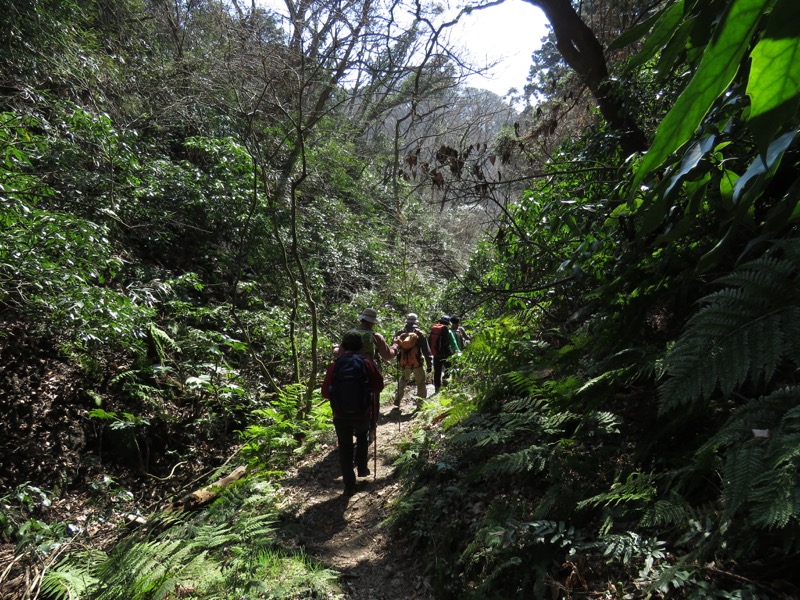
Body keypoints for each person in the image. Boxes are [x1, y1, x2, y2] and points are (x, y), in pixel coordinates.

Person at [321, 331, 384, 497]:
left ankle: (349, 485)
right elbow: (379, 386)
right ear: (361, 346)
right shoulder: (366, 362)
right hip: (363, 412)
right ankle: (362, 468)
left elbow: (325, 392)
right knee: (362, 437)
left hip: (340, 415)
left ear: (343, 345)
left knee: (345, 447)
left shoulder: (335, 365)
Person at [393, 313, 432, 407]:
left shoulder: (400, 333)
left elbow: (395, 347)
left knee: (403, 380)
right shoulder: (420, 334)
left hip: (404, 363)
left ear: (407, 321)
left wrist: (397, 360)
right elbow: (426, 351)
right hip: (417, 363)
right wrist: (429, 364)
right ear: (416, 322)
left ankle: (397, 399)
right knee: (421, 383)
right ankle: (420, 404)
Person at [430, 315, 460, 393]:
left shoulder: (434, 330)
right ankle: (445, 380)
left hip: (436, 354)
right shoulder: (448, 331)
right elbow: (453, 344)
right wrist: (458, 352)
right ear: (448, 322)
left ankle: (437, 388)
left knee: (437, 371)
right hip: (446, 354)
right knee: (449, 368)